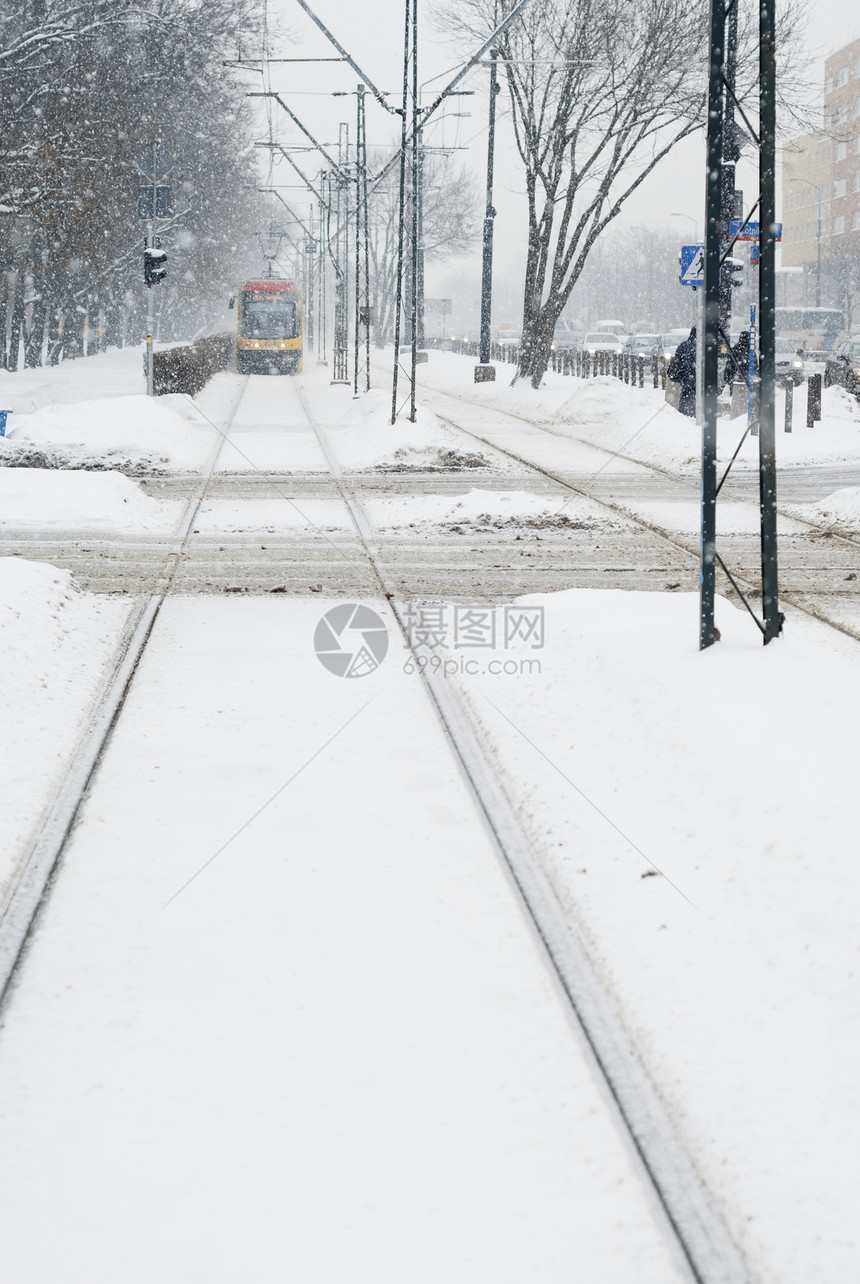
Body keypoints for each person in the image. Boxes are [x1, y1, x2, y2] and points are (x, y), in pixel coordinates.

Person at [667, 325, 697, 417]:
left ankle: (685, 416)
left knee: (685, 403)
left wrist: (681, 376)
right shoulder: (703, 347)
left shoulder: (683, 346)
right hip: (699, 382)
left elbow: (677, 364)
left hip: (685, 382)